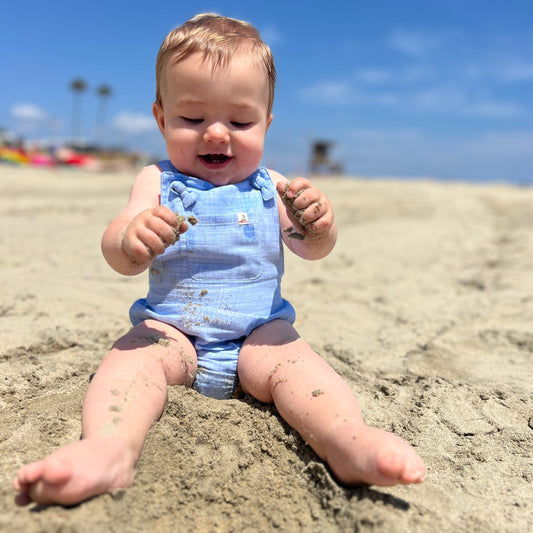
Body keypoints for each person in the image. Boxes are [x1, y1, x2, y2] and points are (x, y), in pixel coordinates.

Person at [13, 13, 425, 506]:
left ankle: (345, 439)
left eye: (240, 121)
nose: (215, 133)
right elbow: (117, 253)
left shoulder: (274, 188)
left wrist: (318, 225)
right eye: (191, 119)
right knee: (129, 363)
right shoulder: (156, 180)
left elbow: (310, 247)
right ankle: (109, 448)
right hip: (173, 334)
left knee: (301, 368)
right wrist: (131, 238)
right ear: (161, 119)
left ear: (266, 123)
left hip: (259, 335)